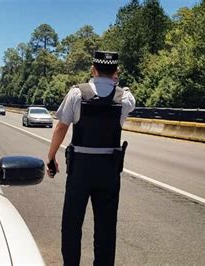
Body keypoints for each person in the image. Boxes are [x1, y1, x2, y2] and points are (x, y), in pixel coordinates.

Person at [46, 51, 136, 265]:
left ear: (93, 69)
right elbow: (124, 106)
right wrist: (115, 83)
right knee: (106, 227)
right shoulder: (125, 97)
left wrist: (51, 157)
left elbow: (61, 127)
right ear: (116, 72)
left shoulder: (77, 93)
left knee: (72, 224)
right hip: (109, 170)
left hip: (80, 169)